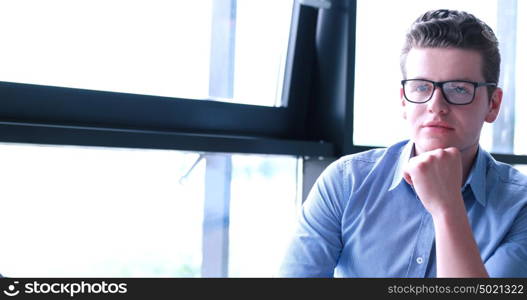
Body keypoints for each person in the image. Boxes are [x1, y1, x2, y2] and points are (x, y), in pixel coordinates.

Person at [278, 9, 527, 277]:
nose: (436, 106)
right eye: (421, 87)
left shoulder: (519, 207)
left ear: (493, 104)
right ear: (403, 100)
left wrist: (447, 207)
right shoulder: (346, 182)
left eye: (458, 89)